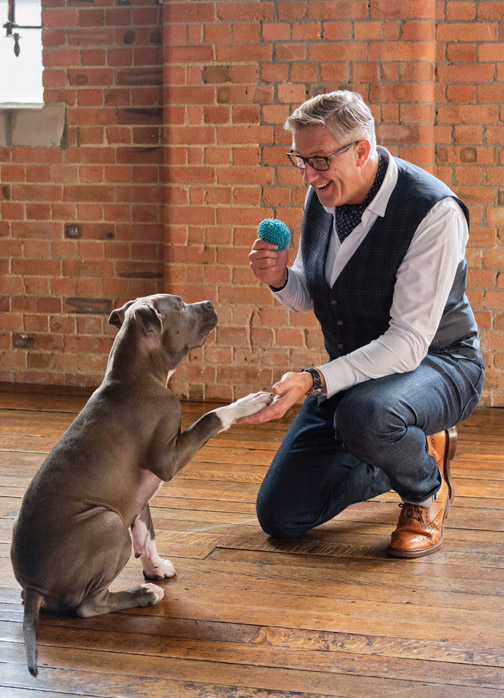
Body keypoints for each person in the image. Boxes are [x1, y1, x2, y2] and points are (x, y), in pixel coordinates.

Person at [241, 90, 485, 558]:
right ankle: (402, 446)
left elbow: (408, 344)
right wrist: (279, 279)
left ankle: (423, 490)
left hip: (440, 364)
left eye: (318, 159)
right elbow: (319, 294)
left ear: (360, 150)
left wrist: (314, 380)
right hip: (359, 375)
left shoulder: (434, 212)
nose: (309, 175)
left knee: (367, 416)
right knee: (281, 517)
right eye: (300, 159)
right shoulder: (325, 194)